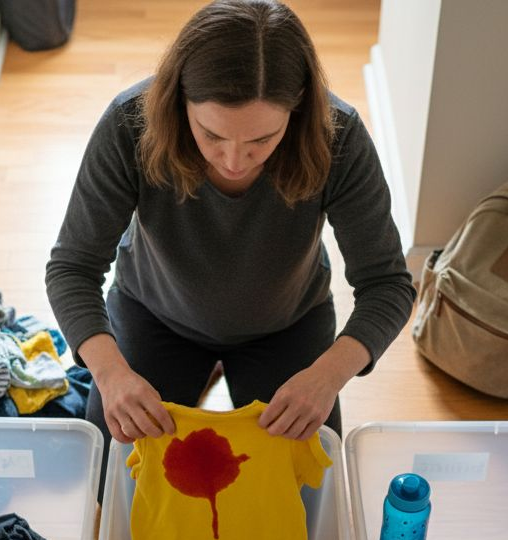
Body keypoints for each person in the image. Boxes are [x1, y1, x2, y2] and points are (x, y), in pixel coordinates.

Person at [45, 0, 414, 470]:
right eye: (212, 134)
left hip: (286, 324)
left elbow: (388, 285)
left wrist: (327, 375)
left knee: (303, 485)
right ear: (180, 102)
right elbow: (72, 268)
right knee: (111, 475)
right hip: (154, 313)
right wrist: (110, 372)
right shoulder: (128, 123)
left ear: (297, 111)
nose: (235, 161)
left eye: (262, 139)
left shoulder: (338, 136)